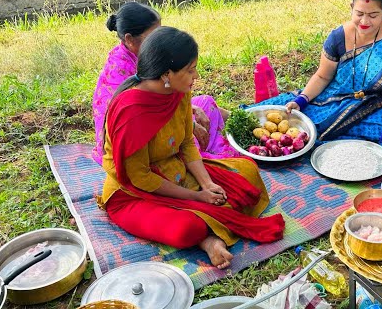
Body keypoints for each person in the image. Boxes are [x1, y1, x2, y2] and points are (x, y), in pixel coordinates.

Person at [100, 27, 283, 269]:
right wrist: (197, 196)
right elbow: (139, 177)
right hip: (133, 192)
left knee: (247, 173)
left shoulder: (178, 92)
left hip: (175, 172)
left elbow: (186, 143)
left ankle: (208, 225)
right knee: (187, 229)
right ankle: (207, 240)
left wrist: (207, 184)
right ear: (166, 74)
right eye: (190, 69)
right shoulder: (131, 113)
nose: (195, 75)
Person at [258, 0, 382, 160]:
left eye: (373, 15)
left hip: (376, 103)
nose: (365, 21)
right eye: (359, 13)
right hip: (335, 95)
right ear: (351, 7)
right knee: (287, 109)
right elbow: (323, 76)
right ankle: (233, 117)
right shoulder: (338, 37)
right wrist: (302, 101)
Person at [92, 2, 235, 164]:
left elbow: (164, 93)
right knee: (185, 139)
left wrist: (190, 109)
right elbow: (144, 115)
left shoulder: (143, 54)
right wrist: (190, 124)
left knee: (205, 103)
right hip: (136, 139)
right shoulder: (119, 71)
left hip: (156, 114)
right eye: (153, 36)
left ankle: (214, 151)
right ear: (130, 39)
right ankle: (206, 160)